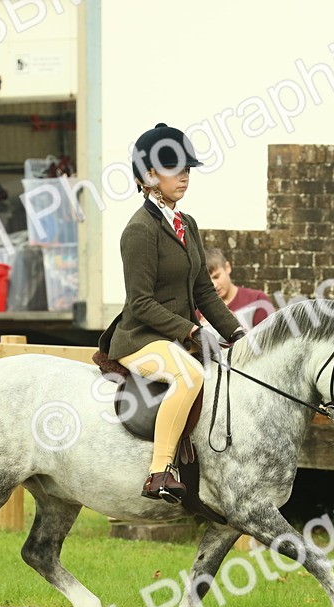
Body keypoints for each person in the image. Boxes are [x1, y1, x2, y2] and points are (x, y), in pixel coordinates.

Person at [96, 123, 244, 503]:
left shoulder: (187, 224)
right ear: (147, 176)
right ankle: (159, 472)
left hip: (173, 336)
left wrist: (240, 334)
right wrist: (193, 333)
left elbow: (203, 291)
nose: (184, 176)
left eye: (187, 169)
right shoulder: (139, 231)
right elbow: (141, 302)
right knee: (191, 375)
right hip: (140, 337)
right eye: (174, 168)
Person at [204, 247, 275, 330]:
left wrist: (236, 322)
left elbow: (272, 339)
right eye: (208, 282)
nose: (214, 285)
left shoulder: (258, 300)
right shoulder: (201, 311)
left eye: (216, 277)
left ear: (227, 267)